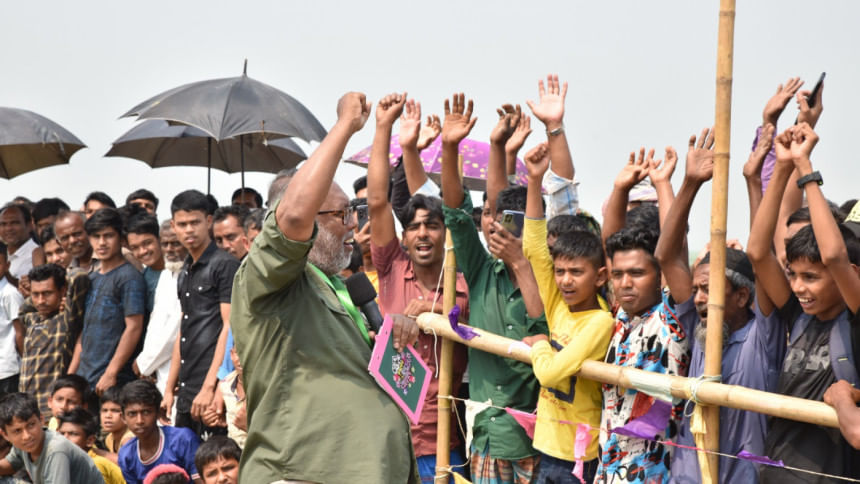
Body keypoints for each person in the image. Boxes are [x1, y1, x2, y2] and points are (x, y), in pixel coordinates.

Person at [231, 91, 420, 483]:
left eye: (353, 211)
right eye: (341, 214)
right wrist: (344, 126)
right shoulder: (269, 277)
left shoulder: (338, 286)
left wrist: (393, 332)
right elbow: (293, 216)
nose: (353, 224)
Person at [656, 130, 779, 483]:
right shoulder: (699, 324)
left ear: (741, 297)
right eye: (696, 289)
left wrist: (753, 182)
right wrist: (690, 183)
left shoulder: (763, 336)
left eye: (709, 290)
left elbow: (762, 254)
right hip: (687, 475)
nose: (698, 298)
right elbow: (666, 256)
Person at [439, 92, 548, 482]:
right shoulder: (482, 269)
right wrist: (450, 147)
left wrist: (520, 263)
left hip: (542, 444)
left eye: (512, 221)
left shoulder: (551, 279)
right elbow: (457, 213)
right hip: (488, 439)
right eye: (491, 218)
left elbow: (544, 331)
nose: (498, 226)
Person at [748, 123, 860, 482]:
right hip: (776, 471)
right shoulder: (799, 315)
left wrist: (806, 169)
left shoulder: (853, 321)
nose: (797, 287)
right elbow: (757, 252)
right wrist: (782, 167)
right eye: (793, 275)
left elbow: (834, 256)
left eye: (810, 277)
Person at [367, 93, 470, 481]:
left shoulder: (464, 282)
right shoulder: (391, 266)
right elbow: (377, 201)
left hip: (443, 445)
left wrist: (434, 311)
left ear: (446, 233)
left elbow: (475, 329)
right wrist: (384, 128)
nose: (422, 233)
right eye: (413, 227)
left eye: (432, 225)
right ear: (404, 238)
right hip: (387, 440)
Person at [519, 142, 614, 483]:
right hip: (545, 446)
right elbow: (533, 248)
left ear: (599, 277)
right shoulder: (559, 302)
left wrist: (541, 344)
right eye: (560, 272)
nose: (565, 280)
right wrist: (534, 180)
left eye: (576, 272)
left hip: (576, 459)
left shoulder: (601, 321)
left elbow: (550, 374)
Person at [161, 191, 238, 439]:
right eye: (182, 224)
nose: (189, 230)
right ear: (174, 226)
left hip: (212, 389)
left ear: (208, 221)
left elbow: (230, 328)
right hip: (186, 388)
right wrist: (169, 389)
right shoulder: (185, 268)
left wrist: (212, 387)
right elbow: (184, 329)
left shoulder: (225, 264)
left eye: (195, 222)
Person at [75, 208, 146, 394]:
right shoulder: (92, 278)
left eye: (108, 236)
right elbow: (85, 331)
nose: (102, 242)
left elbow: (134, 327)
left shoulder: (129, 277)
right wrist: (72, 375)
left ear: (120, 238)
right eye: (96, 236)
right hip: (86, 378)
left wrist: (111, 372)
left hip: (114, 381)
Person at [18, 263, 89, 417]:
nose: (40, 301)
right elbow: (22, 310)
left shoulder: (66, 319)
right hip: (29, 409)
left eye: (47, 293)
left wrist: (61, 278)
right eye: (35, 294)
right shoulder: (33, 319)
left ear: (62, 290)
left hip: (52, 409)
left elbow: (79, 276)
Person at [0, 392, 103, 483]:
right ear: (5, 435)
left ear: (41, 420)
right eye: (17, 431)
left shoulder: (56, 450)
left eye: (31, 425)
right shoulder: (24, 444)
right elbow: (10, 465)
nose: (26, 436)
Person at [136, 221, 185, 395]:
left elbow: (175, 329)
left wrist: (144, 363)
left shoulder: (188, 274)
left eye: (175, 243)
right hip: (157, 368)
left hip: (176, 366)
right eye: (165, 244)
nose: (169, 249)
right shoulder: (166, 274)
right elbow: (156, 323)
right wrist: (147, 362)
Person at [118, 380, 200, 484]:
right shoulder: (126, 455)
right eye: (132, 414)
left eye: (146, 412)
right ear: (123, 418)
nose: (139, 421)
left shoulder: (183, 440)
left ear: (158, 412)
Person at [56, 407, 126, 484]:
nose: (64, 439)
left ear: (90, 441)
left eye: (73, 434)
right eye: (61, 434)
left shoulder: (94, 465)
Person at [127, 213, 165, 317]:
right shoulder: (141, 281)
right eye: (135, 248)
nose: (143, 251)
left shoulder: (183, 270)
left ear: (159, 239)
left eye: (147, 243)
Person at [0, 204, 44, 287]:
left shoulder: (38, 256)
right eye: (3, 224)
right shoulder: (3, 253)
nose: (8, 228)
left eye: (14, 223)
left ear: (29, 225)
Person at [0, 247, 23, 398]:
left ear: (7, 265)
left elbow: (20, 332)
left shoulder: (10, 293)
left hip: (8, 369)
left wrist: (26, 363)